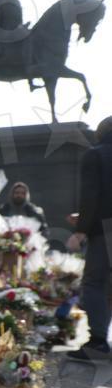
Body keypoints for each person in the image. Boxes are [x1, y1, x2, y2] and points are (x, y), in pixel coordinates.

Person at [66, 117, 112, 362]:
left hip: (105, 230)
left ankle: (97, 343)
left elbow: (91, 195)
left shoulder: (96, 154)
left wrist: (82, 228)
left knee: (94, 284)